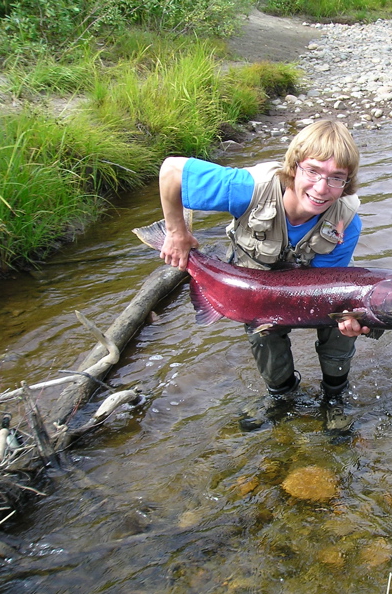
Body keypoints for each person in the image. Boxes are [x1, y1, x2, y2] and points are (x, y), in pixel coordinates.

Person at [157, 119, 369, 432]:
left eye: (336, 177)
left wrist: (348, 319)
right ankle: (282, 397)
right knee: (263, 333)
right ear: (293, 167)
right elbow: (172, 170)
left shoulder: (346, 223)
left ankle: (334, 397)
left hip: (307, 283)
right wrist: (176, 232)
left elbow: (323, 287)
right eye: (312, 171)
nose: (322, 187)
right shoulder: (247, 189)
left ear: (347, 182)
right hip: (250, 284)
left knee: (342, 317)